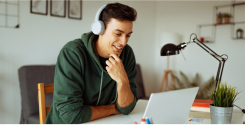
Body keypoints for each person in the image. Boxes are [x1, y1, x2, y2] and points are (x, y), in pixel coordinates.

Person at [45, 2, 138, 124]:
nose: (123, 42)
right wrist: (113, 108)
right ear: (99, 29)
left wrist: (123, 81)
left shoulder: (127, 54)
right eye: (118, 34)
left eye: (128, 35)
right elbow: (70, 115)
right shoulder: (73, 53)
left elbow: (127, 108)